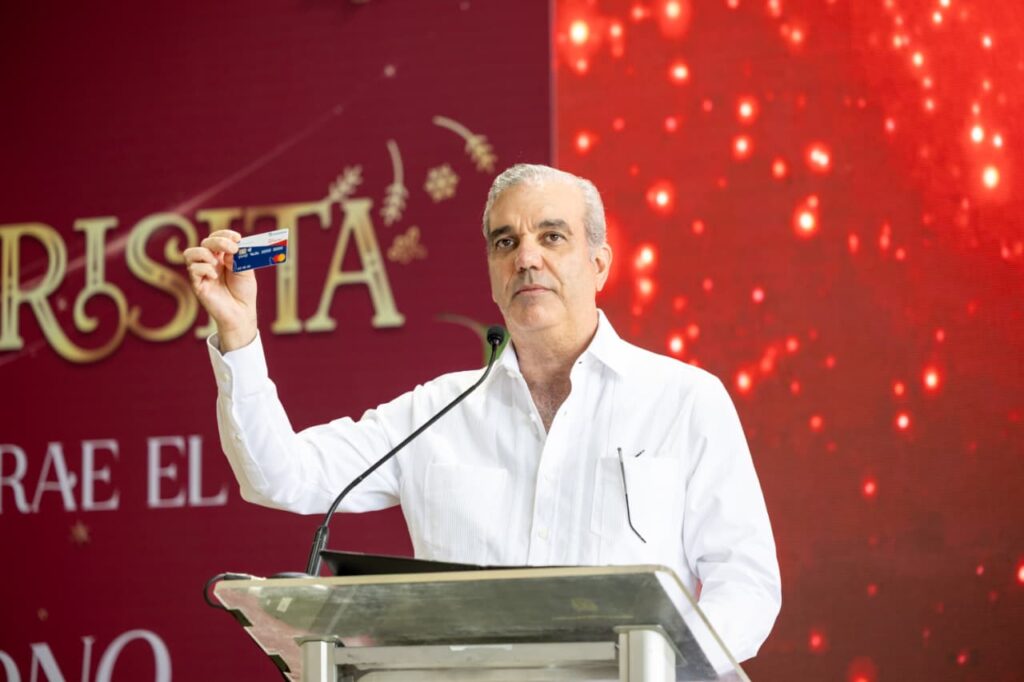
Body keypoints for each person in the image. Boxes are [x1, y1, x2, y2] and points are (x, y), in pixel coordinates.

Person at [184, 164, 781, 662]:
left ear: (599, 264)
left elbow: (746, 583)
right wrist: (238, 333)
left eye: (552, 237)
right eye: (505, 243)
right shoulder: (438, 411)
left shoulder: (683, 400)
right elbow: (281, 476)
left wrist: (664, 669)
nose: (527, 258)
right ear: (493, 274)